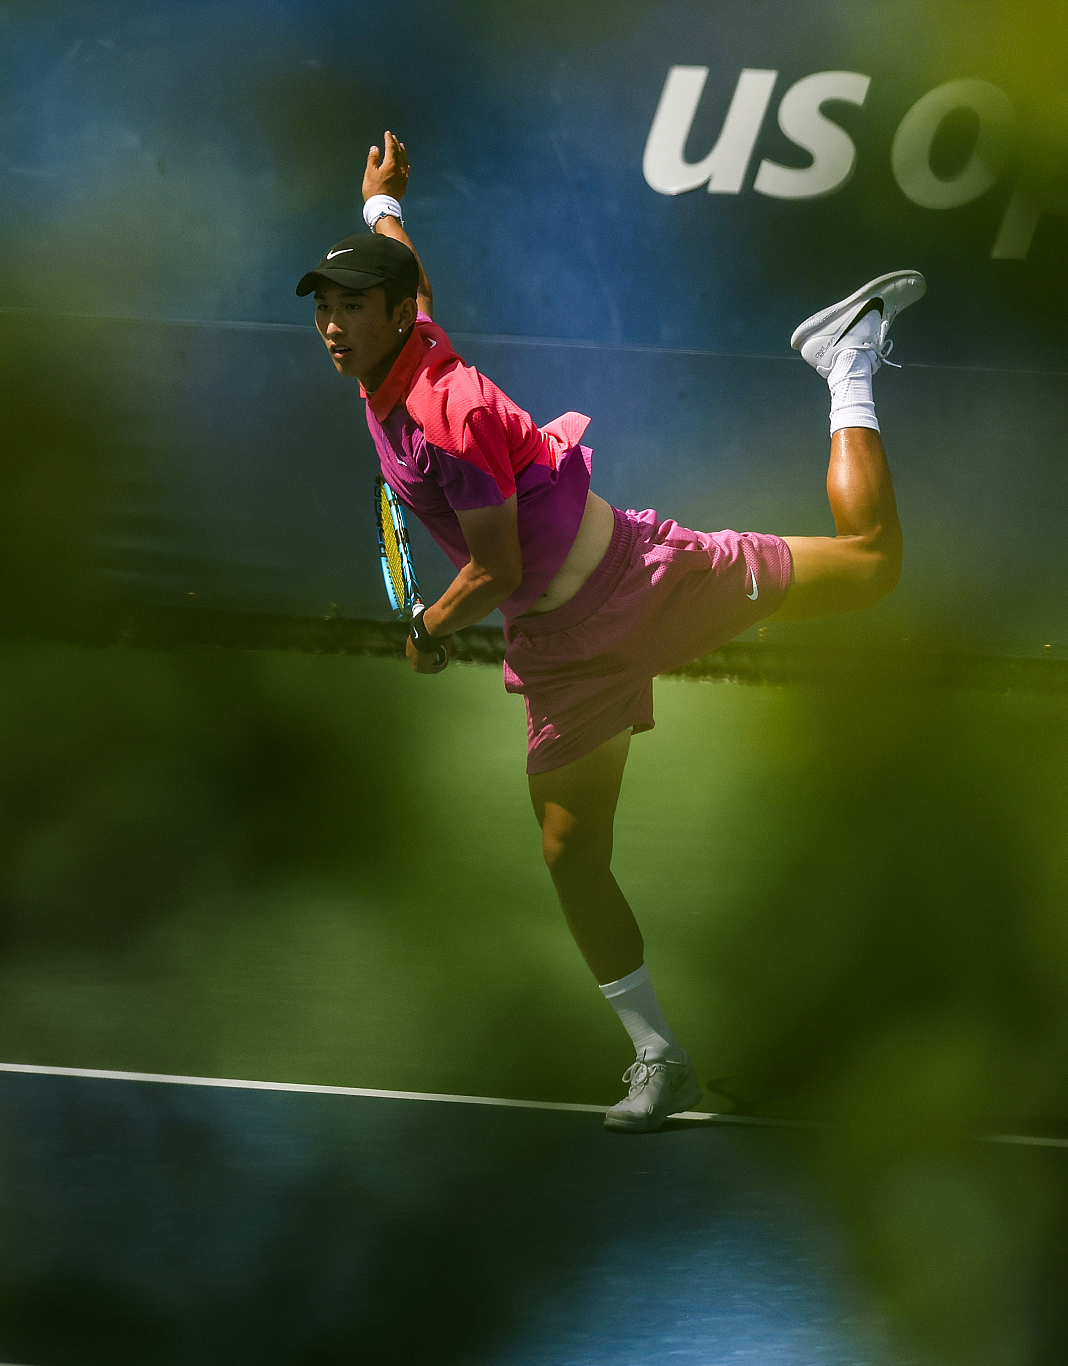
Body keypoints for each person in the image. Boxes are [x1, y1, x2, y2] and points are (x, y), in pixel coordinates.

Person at [298, 131, 921, 1132]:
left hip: (642, 583)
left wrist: (429, 623)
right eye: (320, 309)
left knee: (871, 568)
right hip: (560, 654)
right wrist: (381, 206)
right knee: (569, 853)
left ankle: (842, 360)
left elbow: (494, 568)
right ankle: (658, 1057)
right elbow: (413, 278)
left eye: (346, 309)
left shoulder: (444, 413)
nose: (329, 327)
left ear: (389, 318)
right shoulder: (401, 344)